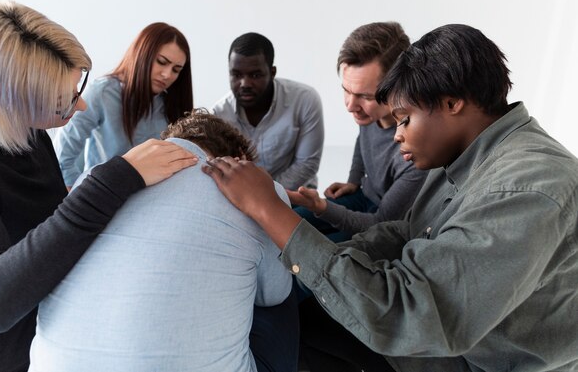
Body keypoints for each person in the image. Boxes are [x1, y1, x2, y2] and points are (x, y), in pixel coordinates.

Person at [203, 24, 578, 371]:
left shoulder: (528, 188)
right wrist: (303, 256)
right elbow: (407, 232)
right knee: (293, 313)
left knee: (285, 331)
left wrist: (270, 211)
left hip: (477, 360)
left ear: (452, 103)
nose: (396, 134)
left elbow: (409, 314)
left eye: (404, 119)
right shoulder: (463, 156)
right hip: (442, 336)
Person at [0, 0, 196, 372]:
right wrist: (113, 180)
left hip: (39, 299)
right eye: (65, 100)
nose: (81, 106)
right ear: (12, 100)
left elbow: (52, 223)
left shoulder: (30, 133)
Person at [29, 110, 298, 372]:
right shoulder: (263, 191)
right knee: (288, 281)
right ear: (239, 160)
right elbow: (273, 294)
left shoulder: (92, 179)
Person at [291, 23, 427, 241]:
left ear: (398, 87)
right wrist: (353, 179)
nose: (350, 106)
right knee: (291, 220)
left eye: (365, 96)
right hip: (363, 195)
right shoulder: (369, 115)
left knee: (318, 253)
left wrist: (320, 206)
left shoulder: (416, 150)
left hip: (385, 224)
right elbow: (362, 138)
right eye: (346, 90)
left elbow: (380, 223)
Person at [56, 22, 194, 188]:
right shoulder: (102, 93)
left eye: (176, 70)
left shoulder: (172, 105)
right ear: (142, 55)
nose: (167, 74)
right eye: (162, 62)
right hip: (104, 194)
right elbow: (62, 155)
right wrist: (78, 197)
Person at [212, 32, 324, 191]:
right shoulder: (219, 114)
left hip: (294, 195)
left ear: (272, 72)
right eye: (236, 75)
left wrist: (265, 194)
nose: (244, 83)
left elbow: (307, 165)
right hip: (242, 199)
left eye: (255, 75)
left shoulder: (304, 100)